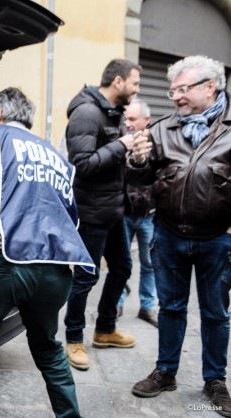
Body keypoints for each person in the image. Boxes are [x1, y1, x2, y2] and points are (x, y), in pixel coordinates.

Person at [0, 87, 94, 418]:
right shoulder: (53, 154)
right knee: (49, 351)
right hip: (55, 271)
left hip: (0, 266)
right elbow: (71, 217)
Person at [130, 55, 231, 417]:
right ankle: (166, 372)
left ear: (210, 86)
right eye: (172, 91)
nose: (175, 97)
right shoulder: (162, 129)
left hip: (218, 238)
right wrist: (138, 161)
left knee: (216, 312)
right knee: (170, 307)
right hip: (169, 234)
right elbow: (140, 182)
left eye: (183, 89)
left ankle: (215, 380)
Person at [63, 59, 144, 371]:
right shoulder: (86, 113)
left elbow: (114, 162)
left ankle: (105, 329)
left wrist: (135, 155)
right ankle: (73, 338)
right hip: (91, 212)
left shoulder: (114, 112)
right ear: (118, 81)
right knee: (86, 276)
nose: (137, 90)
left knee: (122, 268)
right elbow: (81, 164)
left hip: (114, 210)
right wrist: (121, 146)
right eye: (135, 83)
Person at [116, 98, 158, 327]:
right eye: (126, 119)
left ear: (146, 119)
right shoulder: (122, 140)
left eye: (132, 119)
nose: (128, 123)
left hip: (149, 215)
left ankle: (148, 306)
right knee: (121, 263)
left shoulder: (158, 141)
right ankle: (117, 302)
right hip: (124, 212)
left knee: (149, 263)